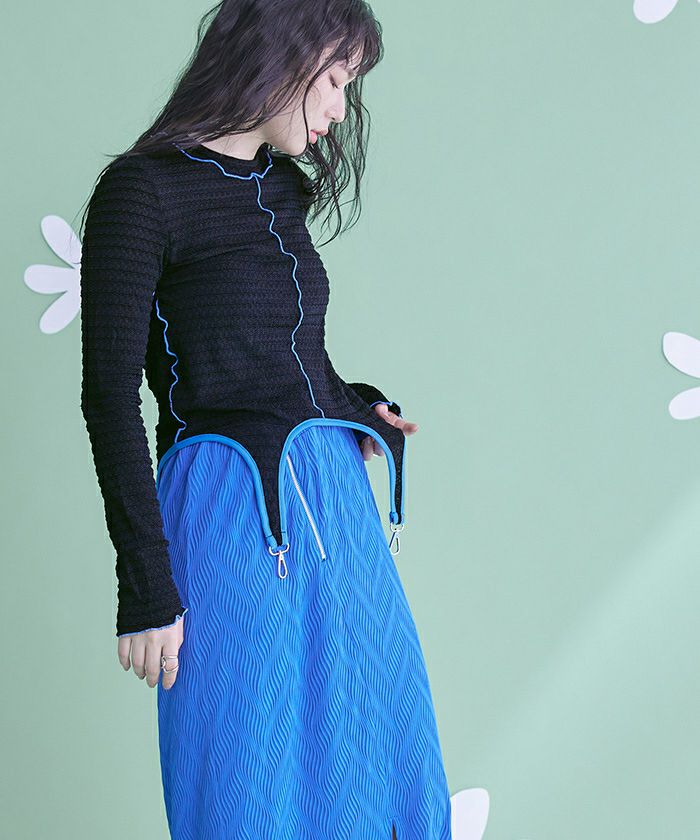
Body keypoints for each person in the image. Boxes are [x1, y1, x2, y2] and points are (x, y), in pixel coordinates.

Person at [79, 0, 452, 837]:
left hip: (335, 503)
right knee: (248, 777)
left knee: (382, 752)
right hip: (227, 505)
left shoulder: (281, 187)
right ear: (280, 56)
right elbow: (108, 394)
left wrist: (354, 407)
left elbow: (281, 356)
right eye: (335, 81)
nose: (339, 110)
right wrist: (146, 584)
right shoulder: (142, 193)